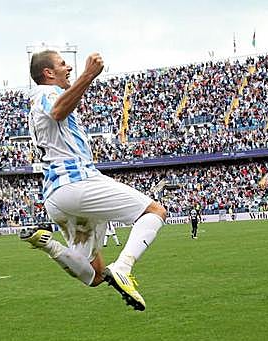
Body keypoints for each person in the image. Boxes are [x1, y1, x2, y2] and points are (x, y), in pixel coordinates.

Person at [20, 50, 166, 311]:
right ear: (48, 73)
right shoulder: (46, 92)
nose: (69, 68)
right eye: (63, 64)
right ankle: (123, 267)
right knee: (154, 211)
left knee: (95, 275)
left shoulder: (36, 104)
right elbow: (58, 111)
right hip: (76, 182)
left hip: (56, 197)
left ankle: (49, 245)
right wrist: (89, 75)